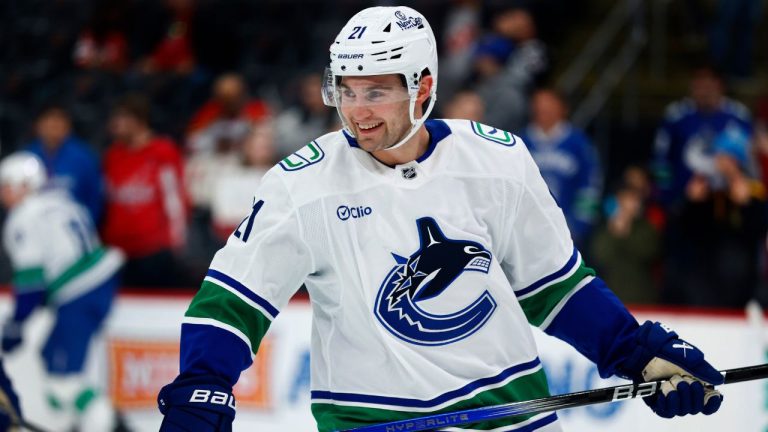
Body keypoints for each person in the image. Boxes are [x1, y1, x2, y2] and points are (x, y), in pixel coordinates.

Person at [157, 7, 724, 432]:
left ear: (423, 88)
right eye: (347, 91)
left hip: (507, 421)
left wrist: (637, 353)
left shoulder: (497, 161)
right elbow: (232, 300)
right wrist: (203, 385)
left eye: (377, 91)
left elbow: (557, 289)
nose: (358, 112)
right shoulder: (301, 185)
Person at [0, 152, 125, 431]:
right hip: (100, 282)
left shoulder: (23, 217)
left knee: (61, 380)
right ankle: (91, 420)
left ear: (24, 184)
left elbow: (31, 281)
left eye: (6, 185)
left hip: (79, 291)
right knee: (55, 363)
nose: (3, 193)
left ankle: (110, 424)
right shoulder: (63, 201)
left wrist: (17, 323)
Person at [102, 93, 190, 288]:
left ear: (138, 120)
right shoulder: (112, 155)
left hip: (153, 251)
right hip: (118, 251)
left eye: (121, 117)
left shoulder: (162, 152)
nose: (115, 123)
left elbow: (175, 199)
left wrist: (175, 243)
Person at [522, 88, 602, 250]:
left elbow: (591, 186)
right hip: (526, 230)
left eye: (549, 104)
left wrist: (579, 226)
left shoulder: (579, 144)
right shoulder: (519, 141)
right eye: (538, 104)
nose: (543, 109)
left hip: (568, 229)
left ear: (563, 108)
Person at [24, 104, 105, 224]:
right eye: (49, 120)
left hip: (73, 228)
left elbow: (95, 198)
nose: (54, 126)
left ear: (68, 126)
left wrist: (87, 226)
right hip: (35, 228)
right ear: (38, 126)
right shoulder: (26, 157)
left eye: (59, 121)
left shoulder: (84, 157)